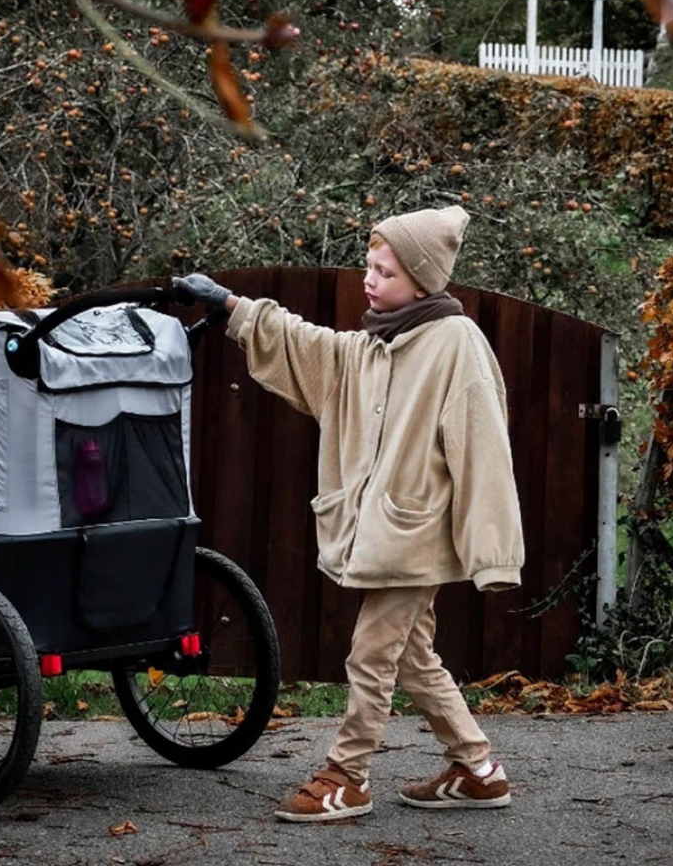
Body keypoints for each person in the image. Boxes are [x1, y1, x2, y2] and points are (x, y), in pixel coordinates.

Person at [173, 205, 524, 823]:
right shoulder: (372, 345)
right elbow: (313, 348)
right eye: (369, 265)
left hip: (417, 534)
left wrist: (492, 552)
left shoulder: (456, 344)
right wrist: (228, 305)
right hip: (383, 533)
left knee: (370, 653)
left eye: (384, 272)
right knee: (413, 656)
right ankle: (479, 769)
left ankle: (348, 774)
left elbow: (485, 445)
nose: (369, 279)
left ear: (421, 281)